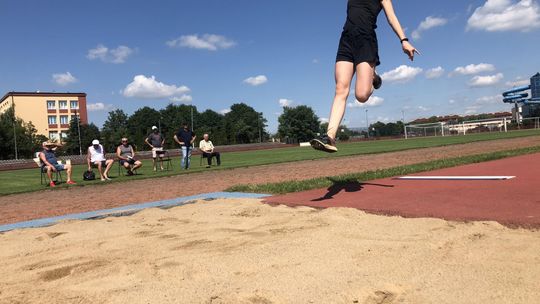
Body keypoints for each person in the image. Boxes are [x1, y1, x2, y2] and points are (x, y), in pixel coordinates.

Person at [310, 0, 419, 153]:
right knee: (340, 88)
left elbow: (391, 16)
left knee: (361, 95)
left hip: (366, 38)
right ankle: (330, 137)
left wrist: (404, 40)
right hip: (346, 39)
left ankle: (373, 77)